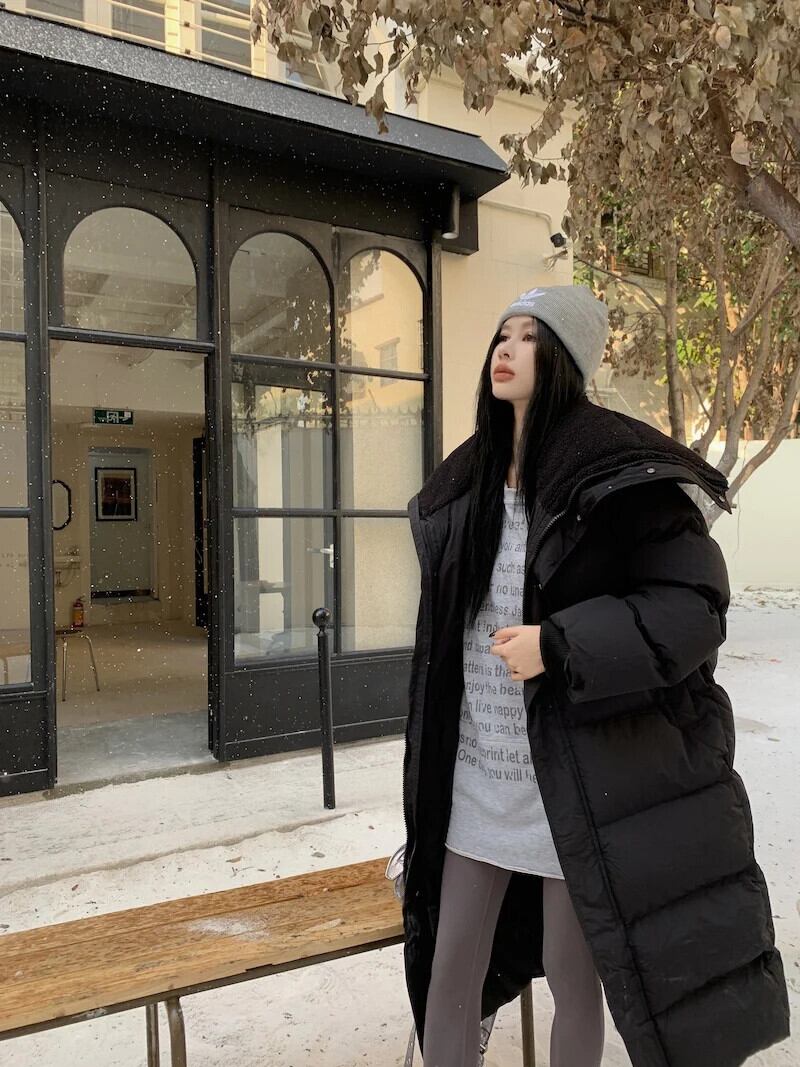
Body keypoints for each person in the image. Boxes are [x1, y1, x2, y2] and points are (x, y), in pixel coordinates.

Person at [400, 285, 790, 1067]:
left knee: (574, 980)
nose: (505, 349)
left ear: (566, 360)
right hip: (477, 782)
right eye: (502, 334)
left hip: (572, 788)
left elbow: (691, 607)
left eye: (529, 336)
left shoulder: (617, 479)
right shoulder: (464, 488)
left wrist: (560, 643)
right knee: (449, 974)